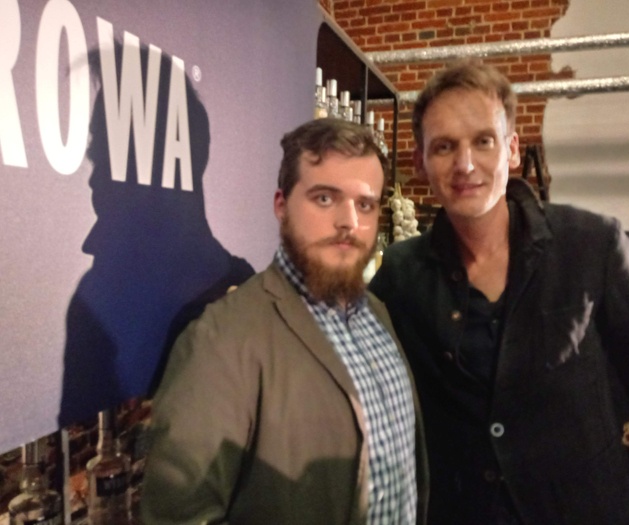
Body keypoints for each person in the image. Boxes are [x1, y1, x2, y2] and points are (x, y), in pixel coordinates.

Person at [369, 60, 629, 525]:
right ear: (420, 162)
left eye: (483, 141)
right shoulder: (401, 274)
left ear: (511, 150)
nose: (465, 164)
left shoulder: (592, 244)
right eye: (444, 146)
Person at [140, 118, 428, 525]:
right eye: (325, 198)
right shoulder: (220, 339)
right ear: (281, 206)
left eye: (365, 204)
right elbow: (179, 514)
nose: (349, 221)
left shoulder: (378, 314)